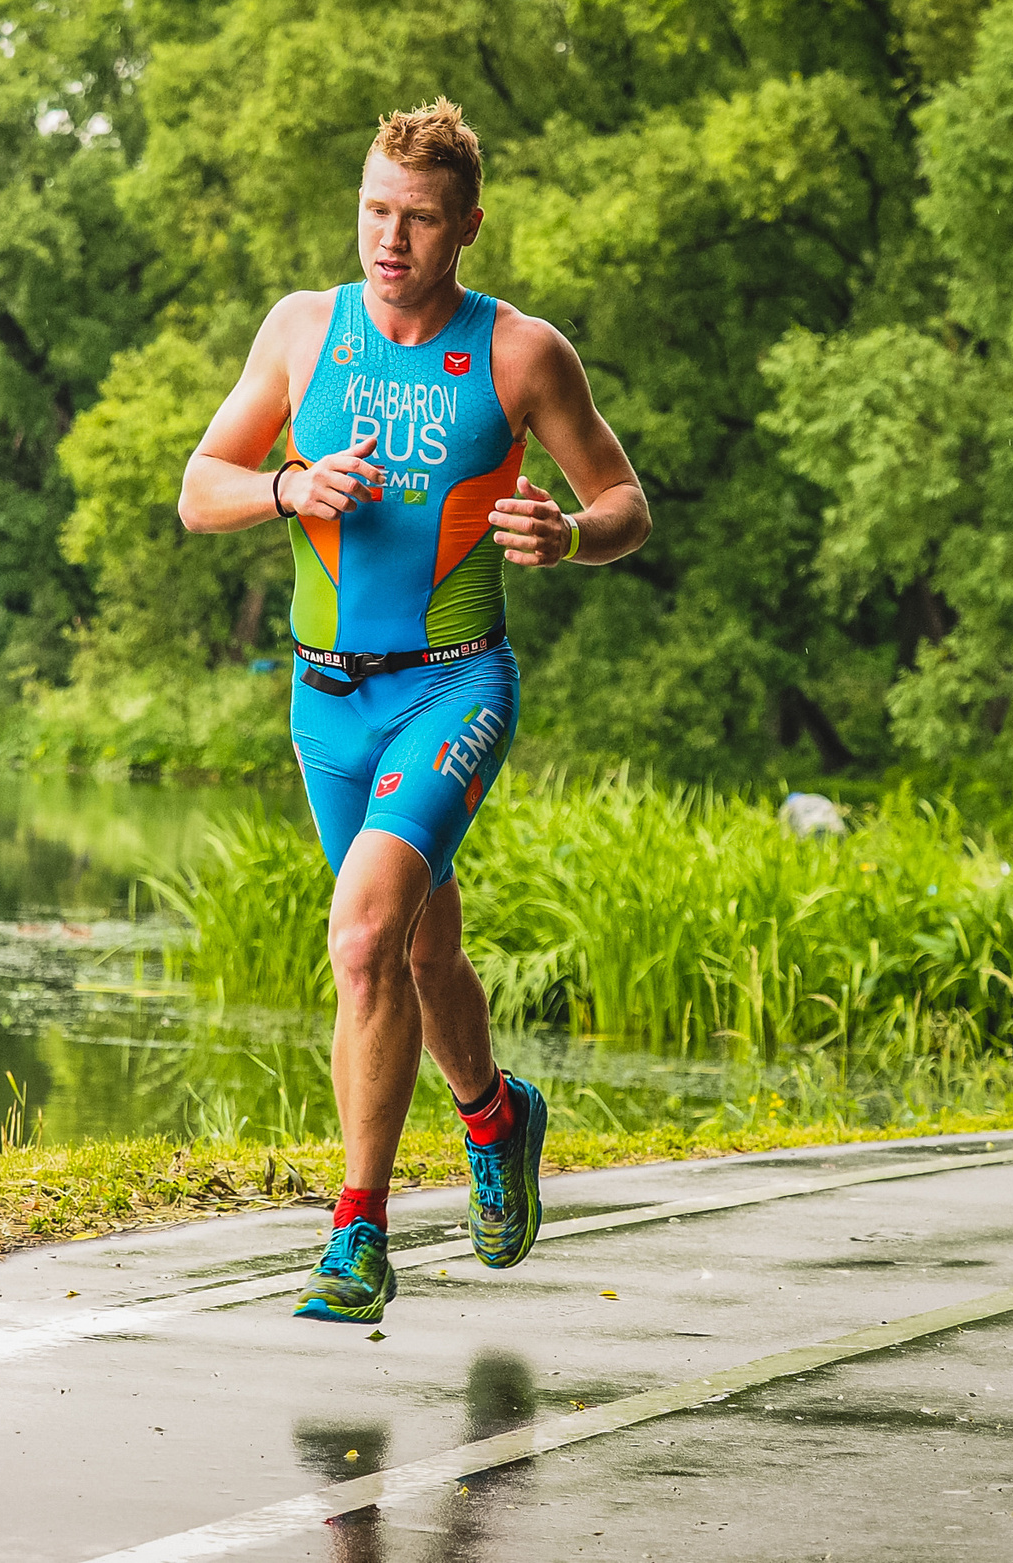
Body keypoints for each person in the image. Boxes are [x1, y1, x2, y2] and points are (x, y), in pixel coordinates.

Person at [177, 99, 650, 1323]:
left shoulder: (520, 353)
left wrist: (569, 533)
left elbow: (625, 502)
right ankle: (495, 1117)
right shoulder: (302, 329)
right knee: (421, 951)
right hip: (325, 700)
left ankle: (358, 1234)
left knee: (361, 938)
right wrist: (286, 487)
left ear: (466, 227)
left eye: (420, 219)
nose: (391, 240)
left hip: (452, 684)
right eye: (375, 211)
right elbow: (200, 488)